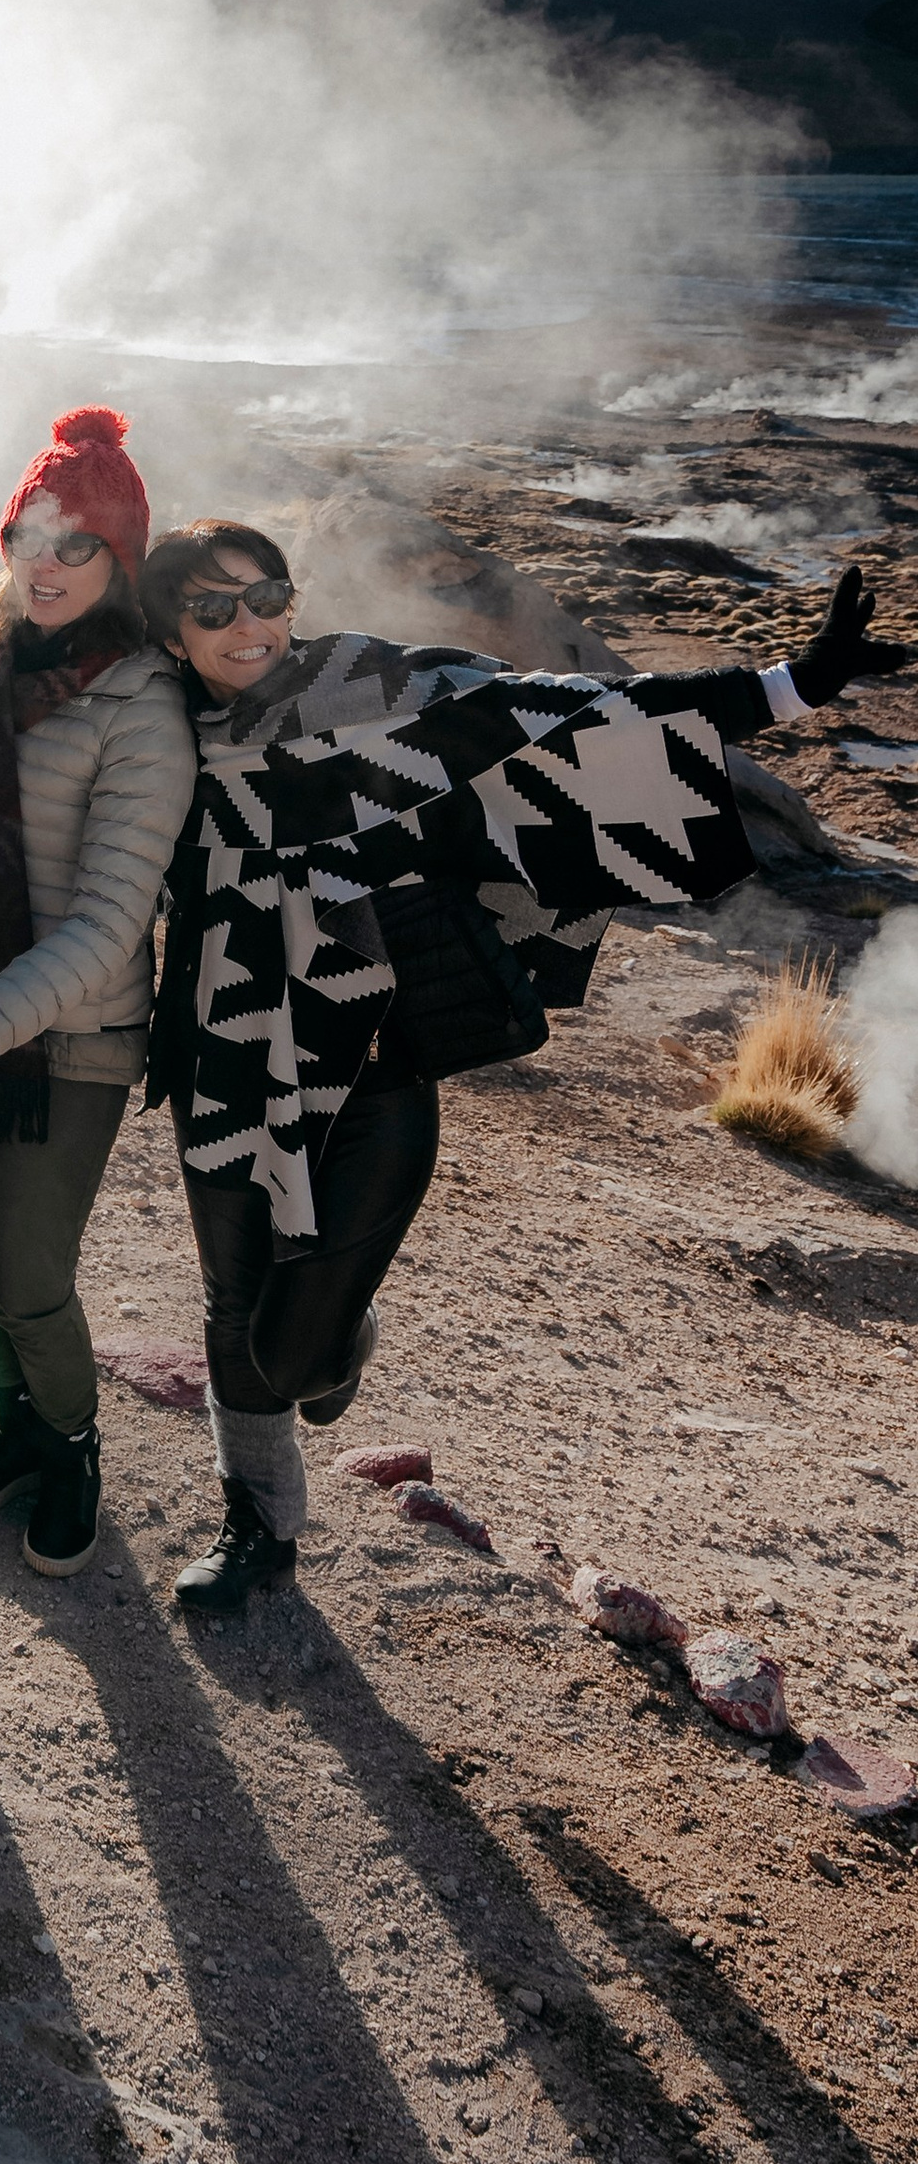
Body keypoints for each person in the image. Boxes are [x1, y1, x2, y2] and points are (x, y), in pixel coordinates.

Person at [140, 515, 907, 1610]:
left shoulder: (376, 685)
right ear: (170, 633)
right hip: (224, 1053)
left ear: (290, 598)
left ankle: (339, 1337)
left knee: (288, 1357)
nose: (245, 623)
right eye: (210, 608)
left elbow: (558, 708)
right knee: (232, 1311)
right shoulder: (153, 728)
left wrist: (788, 684)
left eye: (262, 594)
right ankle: (257, 1527)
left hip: (367, 1061)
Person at [0, 409, 196, 1580]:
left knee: (25, 1271)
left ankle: (71, 1447)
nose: (48, 563)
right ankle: (21, 1421)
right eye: (31, 534)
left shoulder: (142, 704)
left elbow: (113, 921)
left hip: (70, 1041)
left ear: (120, 560)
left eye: (79, 544)